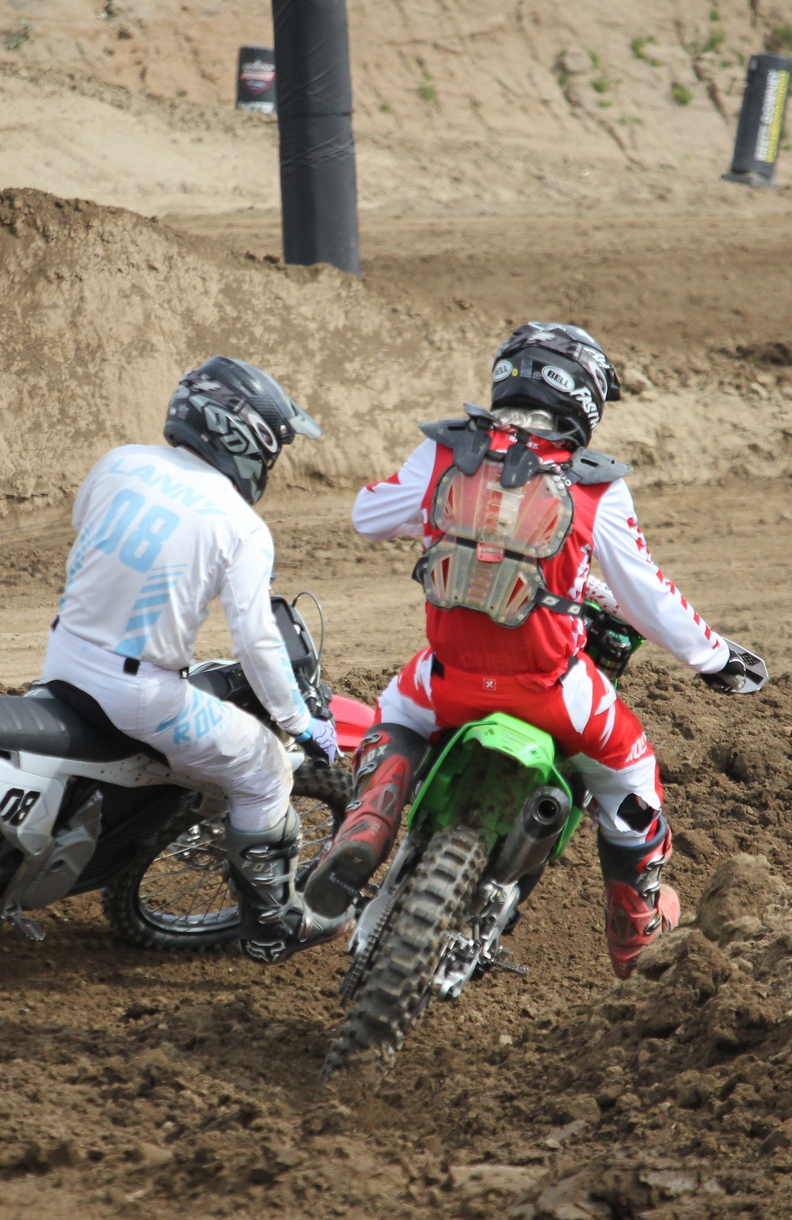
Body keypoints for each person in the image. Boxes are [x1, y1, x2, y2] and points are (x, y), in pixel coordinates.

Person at [302, 322, 767, 978]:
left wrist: (445, 516)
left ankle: (369, 824)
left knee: (394, 713)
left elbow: (368, 517)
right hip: (552, 693)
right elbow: (647, 596)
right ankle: (635, 935)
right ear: (584, 398)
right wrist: (715, 658)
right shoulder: (595, 486)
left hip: (447, 682)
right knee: (635, 777)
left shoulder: (443, 451)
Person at [39, 356, 342, 964]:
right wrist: (299, 721)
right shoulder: (240, 525)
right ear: (247, 437)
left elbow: (88, 530)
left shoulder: (119, 461)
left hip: (63, 658)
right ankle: (270, 929)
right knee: (265, 770)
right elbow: (256, 642)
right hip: (139, 695)